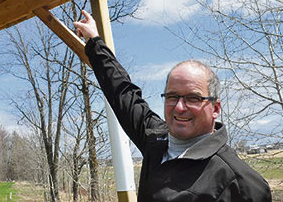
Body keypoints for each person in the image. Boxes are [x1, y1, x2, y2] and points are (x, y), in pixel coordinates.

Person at [73, 10, 271, 201]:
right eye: (172, 96)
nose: (179, 107)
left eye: (193, 98)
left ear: (216, 109)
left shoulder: (240, 183)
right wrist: (95, 41)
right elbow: (123, 93)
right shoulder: (156, 139)